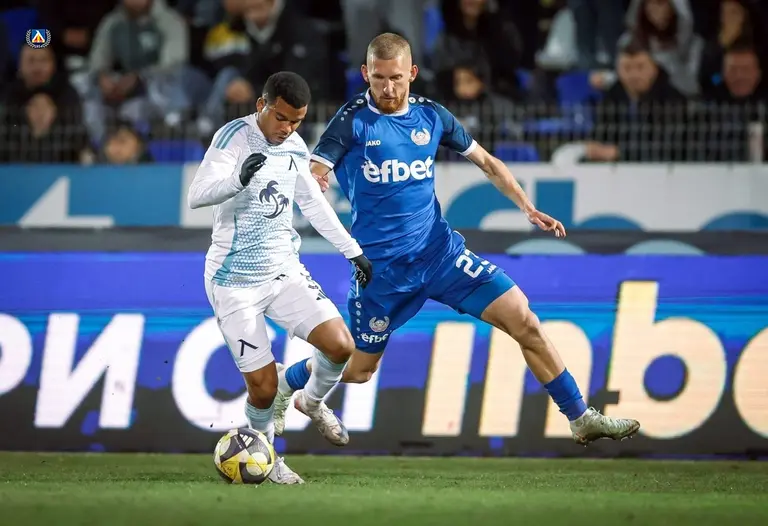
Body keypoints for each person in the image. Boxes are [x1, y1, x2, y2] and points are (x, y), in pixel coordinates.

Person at [273, 34, 641, 447]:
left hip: (440, 256)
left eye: (396, 78)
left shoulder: (432, 116)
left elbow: (487, 162)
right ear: (365, 74)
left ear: (412, 73)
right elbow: (313, 171)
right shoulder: (352, 121)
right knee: (358, 370)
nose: (388, 88)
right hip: (381, 272)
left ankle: (580, 417)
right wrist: (316, 181)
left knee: (524, 320)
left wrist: (527, 207)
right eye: (378, 78)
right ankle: (289, 382)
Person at [187, 71, 373, 483]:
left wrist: (352, 250)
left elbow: (312, 202)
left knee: (341, 345)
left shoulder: (294, 146)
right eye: (282, 118)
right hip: (234, 282)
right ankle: (268, 460)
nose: (287, 128)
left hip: (283, 271)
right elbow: (196, 195)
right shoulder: (233, 138)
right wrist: (237, 180)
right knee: (263, 388)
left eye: (296, 121)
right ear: (262, 105)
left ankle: (310, 401)